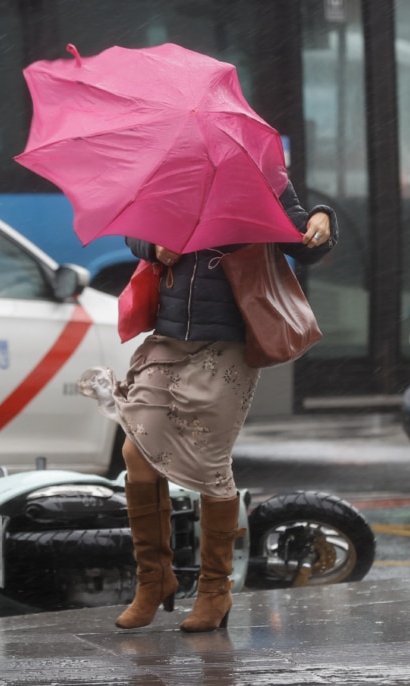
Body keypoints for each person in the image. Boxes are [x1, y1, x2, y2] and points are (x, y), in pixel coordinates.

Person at [78, 182, 338, 633]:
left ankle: (215, 590)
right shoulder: (172, 175)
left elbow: (304, 243)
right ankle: (155, 579)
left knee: (209, 462)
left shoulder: (257, 176)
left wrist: (321, 219)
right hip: (169, 337)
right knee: (136, 452)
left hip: (230, 343)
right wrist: (153, 246)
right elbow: (134, 233)